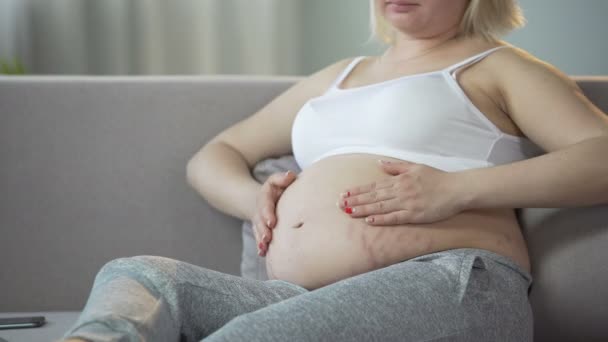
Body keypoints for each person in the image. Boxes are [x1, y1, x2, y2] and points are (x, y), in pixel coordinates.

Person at [61, 0, 608, 341]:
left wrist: (456, 190)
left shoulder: (496, 67)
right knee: (141, 277)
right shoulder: (338, 77)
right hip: (301, 299)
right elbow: (215, 154)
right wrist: (253, 200)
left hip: (451, 283)